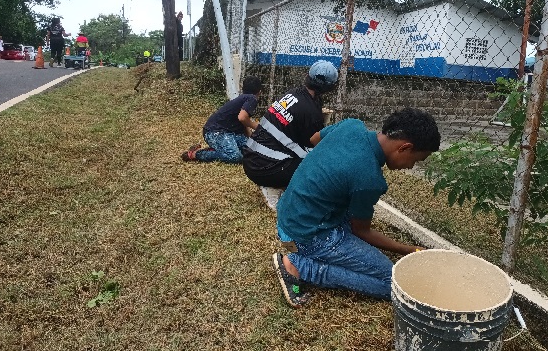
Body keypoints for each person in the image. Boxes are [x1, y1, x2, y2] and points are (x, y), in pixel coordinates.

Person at [271, 108, 441, 308]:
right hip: (306, 238)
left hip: (285, 221)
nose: (411, 166)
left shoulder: (350, 125)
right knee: (393, 284)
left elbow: (314, 139)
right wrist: (407, 249)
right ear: (404, 147)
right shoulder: (369, 178)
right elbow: (361, 231)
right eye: (416, 160)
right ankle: (301, 267)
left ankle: (303, 256)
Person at [241, 60, 338, 209]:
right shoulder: (311, 111)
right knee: (318, 164)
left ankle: (277, 182)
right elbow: (314, 144)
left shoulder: (292, 94)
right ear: (328, 87)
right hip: (264, 169)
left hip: (250, 159)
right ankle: (273, 187)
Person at [181, 76, 263, 164]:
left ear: (242, 88)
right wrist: (255, 125)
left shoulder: (243, 99)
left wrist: (252, 139)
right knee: (235, 156)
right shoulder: (252, 98)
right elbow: (242, 118)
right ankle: (196, 154)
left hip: (228, 133)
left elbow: (243, 123)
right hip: (215, 132)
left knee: (251, 152)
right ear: (260, 92)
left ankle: (216, 149)